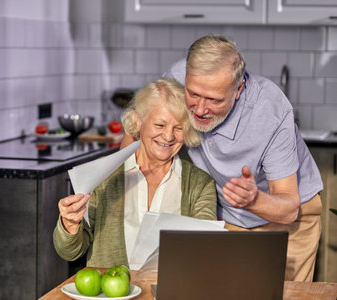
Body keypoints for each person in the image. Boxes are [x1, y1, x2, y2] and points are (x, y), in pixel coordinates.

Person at [121, 35, 323, 282]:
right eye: (193, 94)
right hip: (224, 216)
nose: (200, 109)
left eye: (215, 100)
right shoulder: (175, 77)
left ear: (238, 90)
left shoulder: (270, 111)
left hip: (285, 222)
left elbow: (289, 207)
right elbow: (137, 126)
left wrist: (254, 199)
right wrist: (120, 188)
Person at [53, 77, 217, 268]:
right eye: (160, 125)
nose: (169, 136)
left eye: (179, 128)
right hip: (110, 296)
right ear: (138, 122)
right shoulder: (103, 176)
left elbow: (206, 251)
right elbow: (70, 252)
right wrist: (69, 225)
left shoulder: (199, 184)